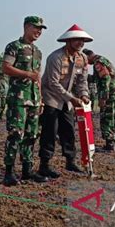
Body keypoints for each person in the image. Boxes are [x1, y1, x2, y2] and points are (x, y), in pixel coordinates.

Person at [38, 24, 92, 177]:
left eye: (82, 41)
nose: (80, 44)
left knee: (68, 131)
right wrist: (72, 98)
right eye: (76, 40)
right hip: (51, 99)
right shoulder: (56, 57)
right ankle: (44, 164)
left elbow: (82, 81)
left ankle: (70, 161)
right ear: (68, 41)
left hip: (68, 100)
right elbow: (53, 83)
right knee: (50, 132)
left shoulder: (82, 58)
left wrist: (84, 94)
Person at [2, 16, 48, 186]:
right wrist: (27, 74)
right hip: (18, 99)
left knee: (31, 135)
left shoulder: (38, 52)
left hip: (34, 99)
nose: (39, 32)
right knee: (15, 134)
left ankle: (27, 170)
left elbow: (38, 78)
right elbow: (5, 67)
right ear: (26, 27)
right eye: (36, 28)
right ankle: (9, 172)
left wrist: (41, 99)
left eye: (41, 29)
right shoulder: (14, 46)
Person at [83, 49, 115, 152]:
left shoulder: (98, 62)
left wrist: (103, 97)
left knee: (107, 119)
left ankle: (110, 145)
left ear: (88, 56)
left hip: (110, 95)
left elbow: (105, 78)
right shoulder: (104, 60)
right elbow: (97, 78)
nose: (86, 62)